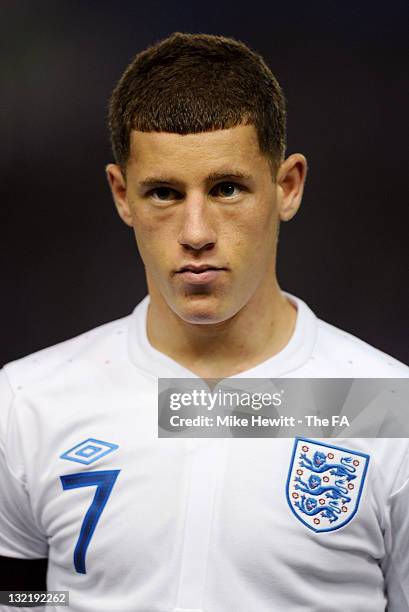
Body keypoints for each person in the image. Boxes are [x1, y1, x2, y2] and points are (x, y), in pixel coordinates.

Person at [0, 32, 408, 612]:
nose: (196, 232)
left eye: (227, 188)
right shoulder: (28, 401)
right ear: (121, 195)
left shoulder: (388, 405)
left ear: (287, 186)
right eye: (164, 192)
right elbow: (16, 599)